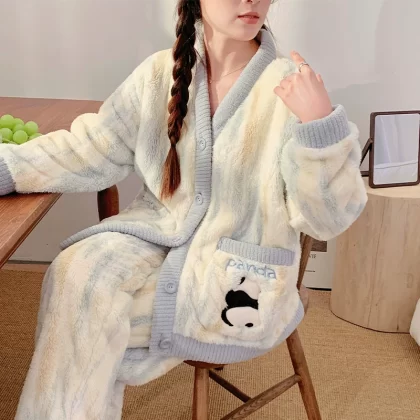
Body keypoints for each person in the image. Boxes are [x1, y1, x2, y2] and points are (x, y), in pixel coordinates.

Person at [0, 0, 367, 418]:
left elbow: (328, 219)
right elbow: (94, 145)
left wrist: (319, 125)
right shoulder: (160, 73)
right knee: (76, 271)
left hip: (238, 270)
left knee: (85, 322)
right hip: (156, 231)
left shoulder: (289, 89)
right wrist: (10, 168)